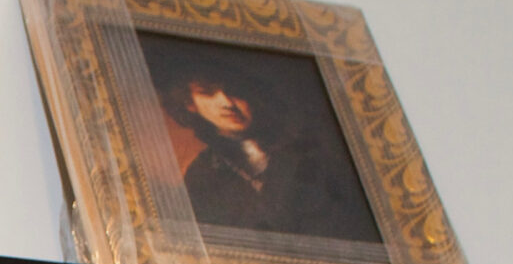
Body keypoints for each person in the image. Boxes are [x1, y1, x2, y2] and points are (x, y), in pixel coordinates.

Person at [148, 50, 382, 246]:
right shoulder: (201, 176)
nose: (226, 102)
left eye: (234, 90)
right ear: (190, 104)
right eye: (207, 92)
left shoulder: (308, 142)